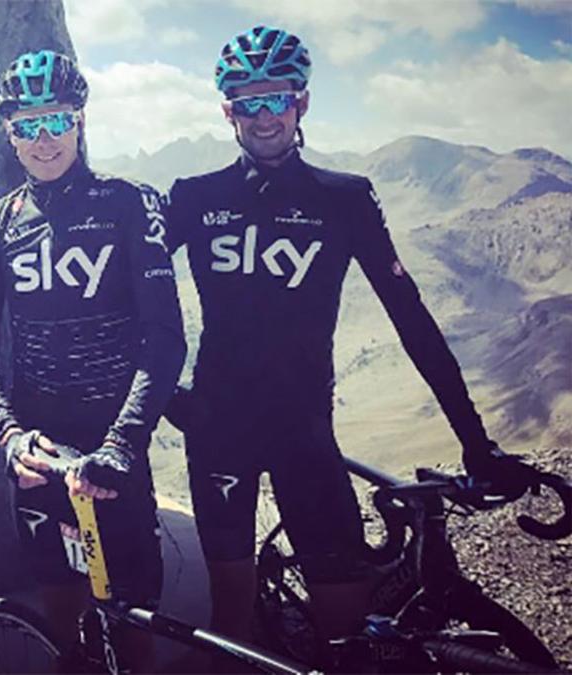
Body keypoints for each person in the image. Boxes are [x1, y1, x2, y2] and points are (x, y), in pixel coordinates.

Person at [161, 25, 520, 650]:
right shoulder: (194, 198)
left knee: (346, 636)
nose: (263, 115)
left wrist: (475, 442)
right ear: (227, 111)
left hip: (306, 433)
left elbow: (413, 321)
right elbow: (121, 302)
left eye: (277, 98)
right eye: (248, 101)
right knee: (230, 631)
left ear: (302, 101)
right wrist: (170, 398)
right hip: (217, 434)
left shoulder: (344, 199)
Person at [0, 49, 186, 670]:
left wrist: (122, 443)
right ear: (9, 134)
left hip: (113, 446)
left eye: (56, 120)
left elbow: (165, 337)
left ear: (80, 119)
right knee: (63, 608)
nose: (43, 139)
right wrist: (8, 436)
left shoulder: (127, 205)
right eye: (27, 126)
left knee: (130, 612)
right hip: (39, 448)